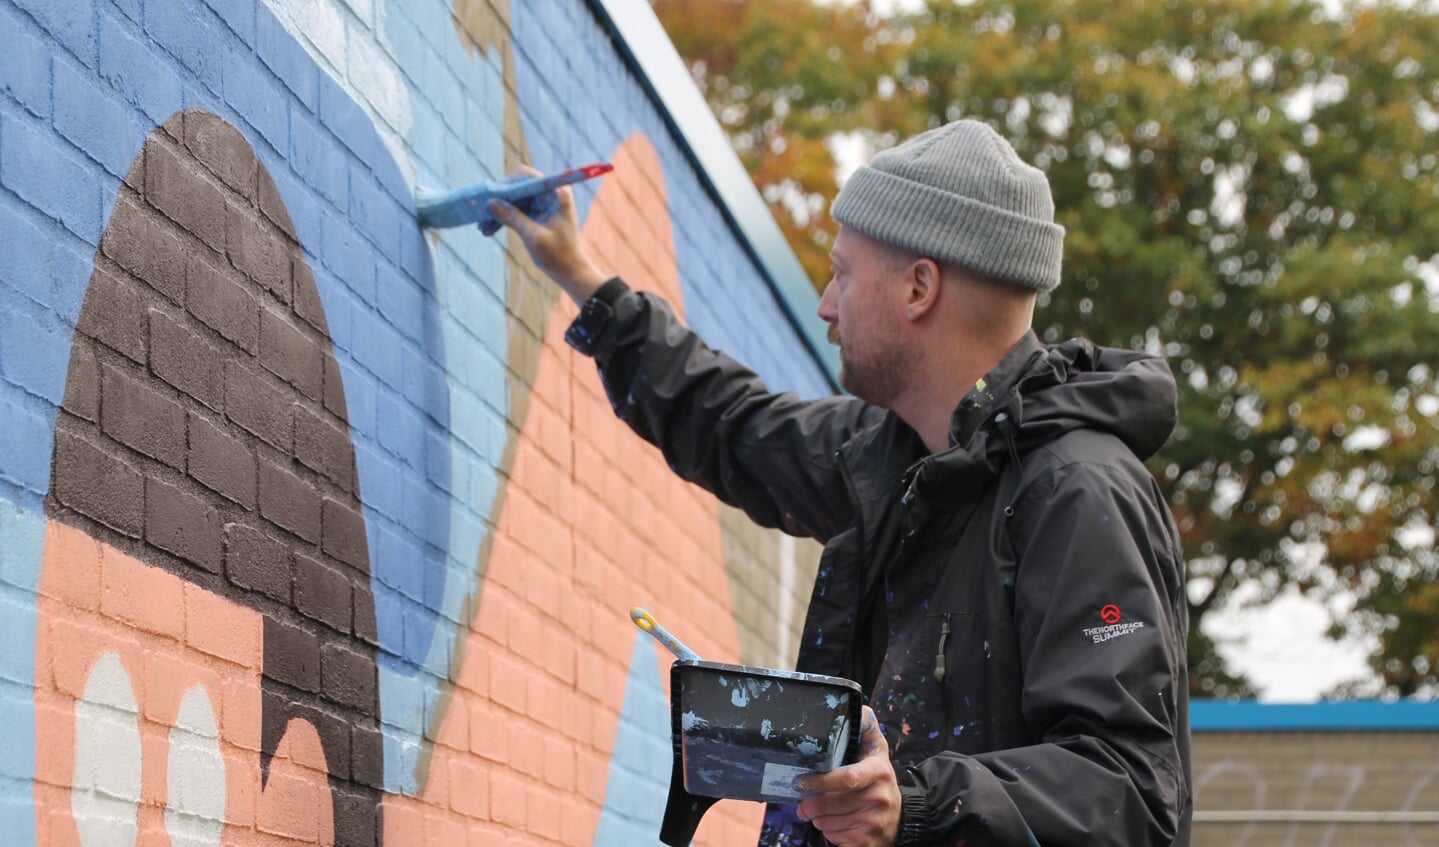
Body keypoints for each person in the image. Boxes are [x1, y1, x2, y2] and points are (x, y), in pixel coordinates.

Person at [490, 119, 1192, 847]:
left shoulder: (1078, 492)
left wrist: (914, 806)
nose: (825, 304)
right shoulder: (889, 460)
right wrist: (583, 279)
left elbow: (1130, 792)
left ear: (918, 286)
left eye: (842, 273)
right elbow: (732, 423)